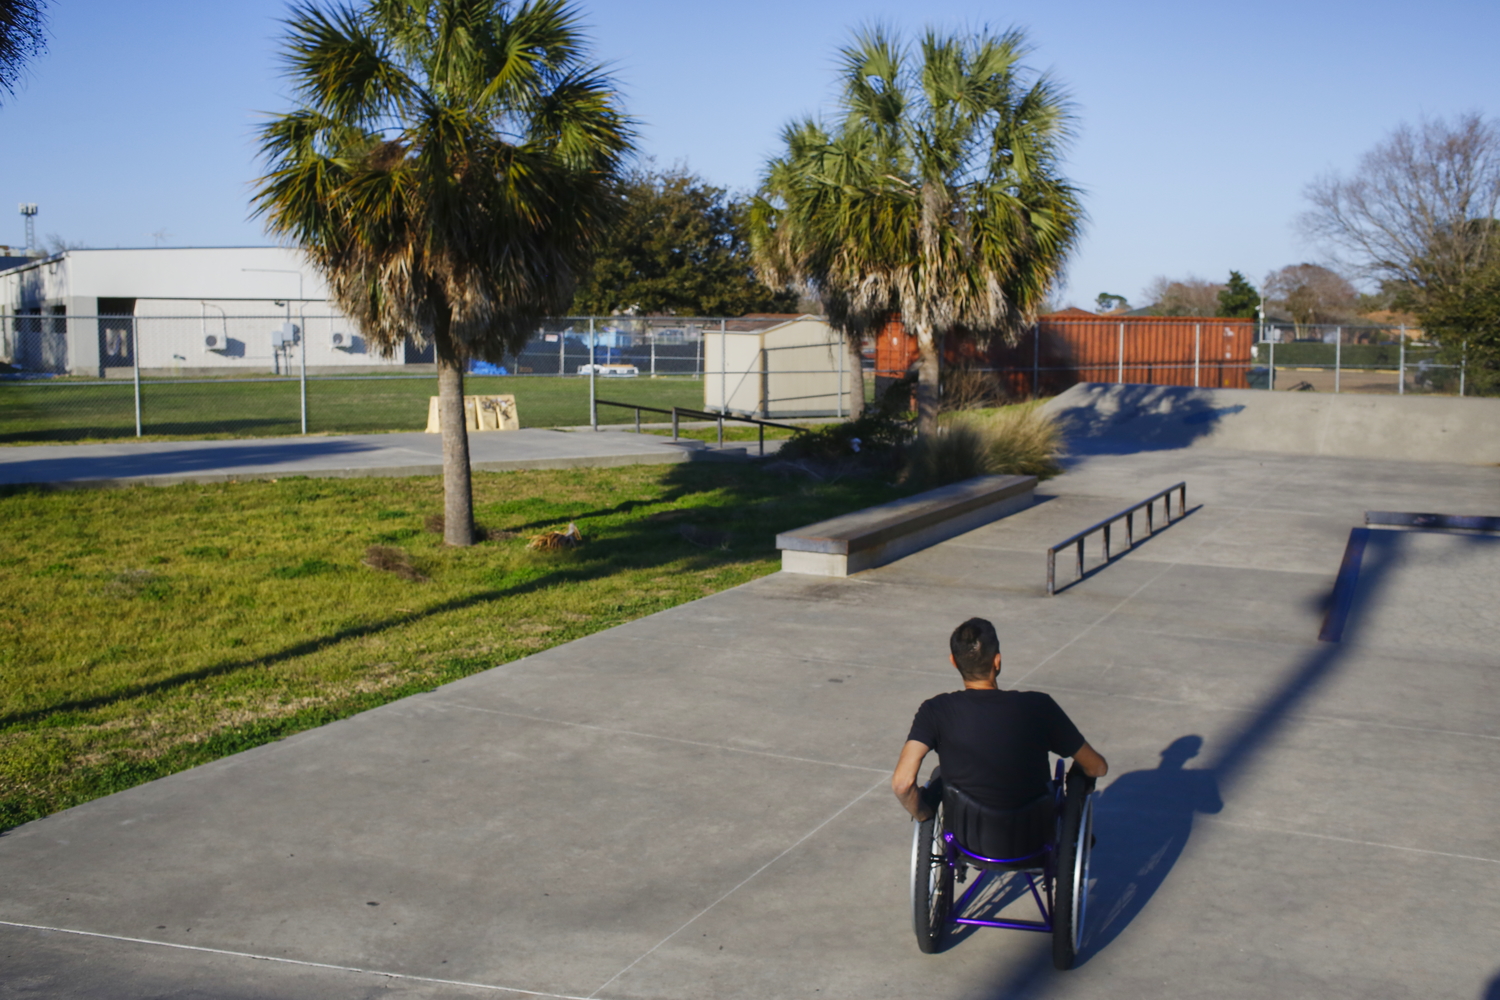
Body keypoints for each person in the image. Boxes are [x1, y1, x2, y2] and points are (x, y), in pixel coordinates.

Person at [892, 617, 1107, 822]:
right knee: (1081, 769)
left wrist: (923, 814)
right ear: (997, 660)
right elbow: (1097, 768)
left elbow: (902, 784)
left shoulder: (934, 710)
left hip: (965, 840)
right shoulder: (1039, 706)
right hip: (1034, 838)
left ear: (953, 661)